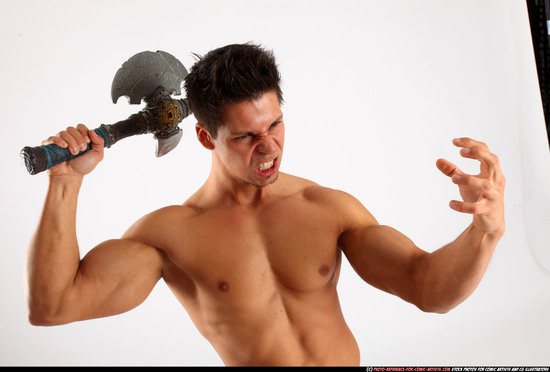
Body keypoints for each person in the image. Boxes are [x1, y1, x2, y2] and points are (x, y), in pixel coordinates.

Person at [25, 43, 505, 366]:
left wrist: (483, 234)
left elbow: (428, 289)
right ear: (203, 136)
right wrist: (64, 182)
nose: (270, 147)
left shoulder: (327, 208)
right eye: (247, 136)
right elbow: (54, 306)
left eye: (274, 125)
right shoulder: (168, 236)